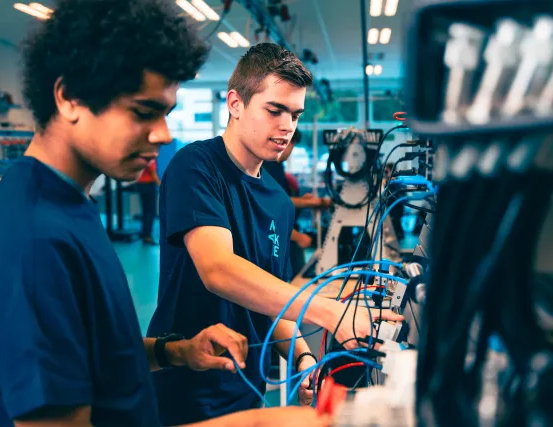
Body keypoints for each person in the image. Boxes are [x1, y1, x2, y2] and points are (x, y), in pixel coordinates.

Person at [0, 1, 328, 426]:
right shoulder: (32, 239)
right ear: (68, 98)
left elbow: (94, 350)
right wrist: (257, 423)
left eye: (166, 113)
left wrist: (175, 351)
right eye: (143, 112)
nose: (164, 134)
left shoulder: (68, 208)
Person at [147, 43, 402, 426]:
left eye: (295, 115)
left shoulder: (279, 201)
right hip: (185, 388)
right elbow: (218, 269)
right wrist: (331, 313)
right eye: (274, 110)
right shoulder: (196, 167)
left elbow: (270, 300)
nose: (287, 126)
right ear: (235, 103)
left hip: (246, 390)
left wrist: (302, 356)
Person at [262, 128, 332, 277]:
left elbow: (282, 200)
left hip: (286, 236)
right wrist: (297, 236)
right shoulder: (268, 167)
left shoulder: (275, 167)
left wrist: (305, 201)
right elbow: (272, 208)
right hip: (282, 238)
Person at [136, 160, 161, 245]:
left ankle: (144, 234)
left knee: (146, 211)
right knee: (151, 212)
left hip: (140, 185)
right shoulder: (151, 159)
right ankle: (147, 236)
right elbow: (153, 174)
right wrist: (161, 186)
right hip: (148, 186)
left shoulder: (141, 158)